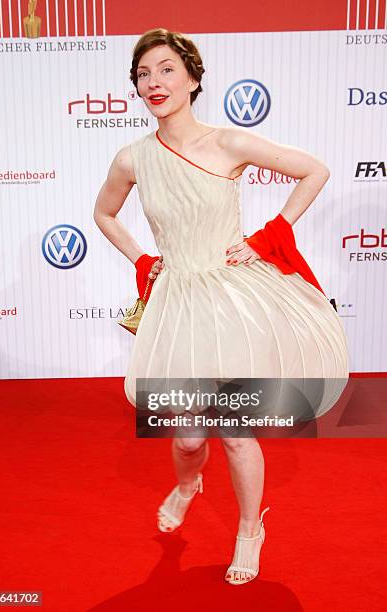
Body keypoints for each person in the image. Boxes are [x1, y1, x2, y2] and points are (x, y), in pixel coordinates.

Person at [93, 28, 349, 586]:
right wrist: (143, 261)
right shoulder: (133, 157)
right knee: (186, 436)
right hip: (177, 302)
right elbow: (105, 215)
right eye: (143, 74)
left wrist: (269, 235)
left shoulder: (228, 143)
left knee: (235, 432)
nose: (154, 83)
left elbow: (314, 170)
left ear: (191, 77)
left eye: (165, 70)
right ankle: (189, 484)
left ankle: (249, 531)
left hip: (231, 300)